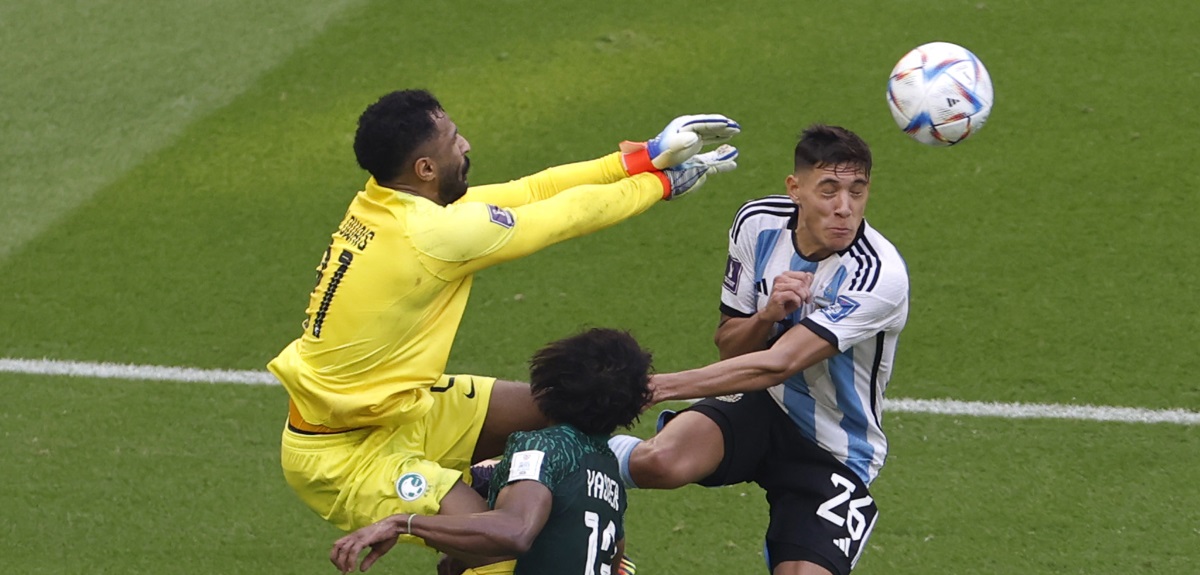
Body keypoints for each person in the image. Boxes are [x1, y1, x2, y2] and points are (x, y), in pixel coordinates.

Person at [266, 88, 738, 568]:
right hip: (346, 458)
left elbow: (530, 191)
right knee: (499, 542)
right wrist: (659, 185)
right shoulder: (434, 235)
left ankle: (602, 548)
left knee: (565, 408)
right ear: (425, 169)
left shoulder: (392, 203)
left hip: (407, 410)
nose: (466, 144)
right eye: (453, 140)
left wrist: (643, 158)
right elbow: (561, 218)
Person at [608, 124, 909, 575]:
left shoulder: (877, 275)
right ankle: (568, 456)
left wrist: (656, 386)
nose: (845, 208)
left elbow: (779, 363)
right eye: (829, 190)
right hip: (760, 404)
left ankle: (796, 543)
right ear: (796, 189)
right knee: (660, 462)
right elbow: (730, 345)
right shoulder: (757, 222)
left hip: (834, 446)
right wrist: (766, 315)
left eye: (857, 191)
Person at [329, 327, 652, 575]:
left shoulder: (544, 445)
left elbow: (516, 530)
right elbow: (614, 557)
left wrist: (403, 522)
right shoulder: (605, 469)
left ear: (547, 383)